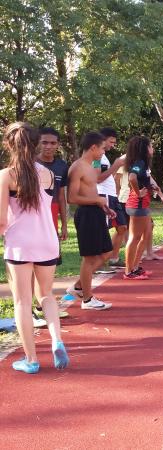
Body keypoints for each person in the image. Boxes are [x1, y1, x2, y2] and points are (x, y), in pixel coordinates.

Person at [0, 122, 69, 373]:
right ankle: (56, 339)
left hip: (20, 243)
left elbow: (1, 220)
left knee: (22, 301)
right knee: (47, 295)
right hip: (47, 240)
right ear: (36, 143)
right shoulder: (48, 174)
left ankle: (31, 359)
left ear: (9, 144)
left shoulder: (6, 175)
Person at [65, 132, 114, 310]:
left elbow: (93, 188)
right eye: (102, 148)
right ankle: (87, 299)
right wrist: (97, 201)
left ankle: (78, 286)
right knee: (89, 258)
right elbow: (72, 197)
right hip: (86, 214)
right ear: (93, 147)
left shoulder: (91, 165)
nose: (103, 151)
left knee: (107, 252)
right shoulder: (78, 167)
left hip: (97, 212)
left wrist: (104, 206)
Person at [34, 127, 70, 324]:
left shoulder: (62, 166)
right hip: (32, 216)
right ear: (37, 143)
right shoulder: (30, 163)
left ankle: (43, 304)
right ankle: (35, 306)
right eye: (44, 142)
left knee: (50, 261)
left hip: (52, 215)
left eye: (52, 143)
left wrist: (64, 224)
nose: (48, 146)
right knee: (31, 262)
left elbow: (62, 197)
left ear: (58, 145)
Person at [122, 136, 163, 280]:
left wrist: (154, 189)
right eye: (151, 146)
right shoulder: (139, 162)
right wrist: (138, 192)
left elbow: (144, 179)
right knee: (134, 237)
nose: (152, 149)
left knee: (146, 234)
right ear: (144, 148)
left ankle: (135, 268)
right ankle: (128, 271)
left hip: (144, 204)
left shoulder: (144, 164)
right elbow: (132, 177)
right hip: (137, 205)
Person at [96, 128, 127, 272]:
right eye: (111, 142)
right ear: (102, 139)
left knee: (122, 227)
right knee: (103, 229)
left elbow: (107, 176)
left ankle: (113, 258)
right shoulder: (97, 158)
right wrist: (116, 165)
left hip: (112, 196)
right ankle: (100, 262)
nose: (113, 145)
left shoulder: (103, 157)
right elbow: (98, 178)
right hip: (104, 195)